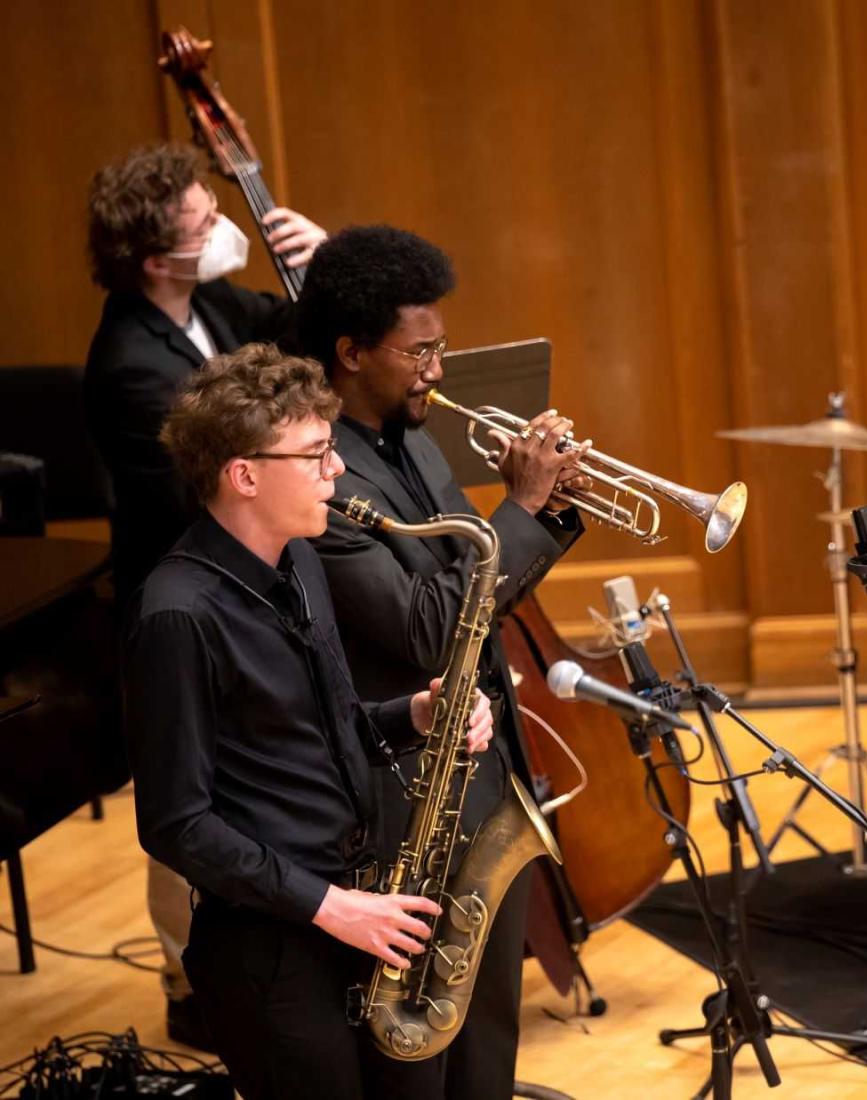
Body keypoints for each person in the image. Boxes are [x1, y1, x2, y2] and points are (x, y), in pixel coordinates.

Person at [123, 344, 497, 1099]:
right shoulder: (177, 616)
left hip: (361, 912)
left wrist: (420, 715)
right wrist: (333, 909)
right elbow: (175, 823)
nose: (337, 472)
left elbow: (324, 726)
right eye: (318, 454)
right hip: (274, 953)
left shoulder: (300, 563)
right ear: (244, 474)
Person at [298, 225, 588, 1099]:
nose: (437, 371)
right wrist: (522, 506)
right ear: (351, 352)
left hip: (477, 774)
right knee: (423, 1047)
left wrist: (550, 512)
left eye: (442, 348)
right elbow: (429, 629)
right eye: (418, 352)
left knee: (490, 1035)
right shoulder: (323, 476)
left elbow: (481, 586)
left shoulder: (414, 441)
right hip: (403, 800)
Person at [81, 143, 327, 1048]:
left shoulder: (215, 304)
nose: (225, 229)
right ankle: (191, 982)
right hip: (187, 607)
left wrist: (320, 266)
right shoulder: (126, 362)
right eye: (202, 222)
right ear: (155, 258)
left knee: (235, 786)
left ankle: (219, 967)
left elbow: (303, 353)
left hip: (245, 586)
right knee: (189, 792)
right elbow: (206, 489)